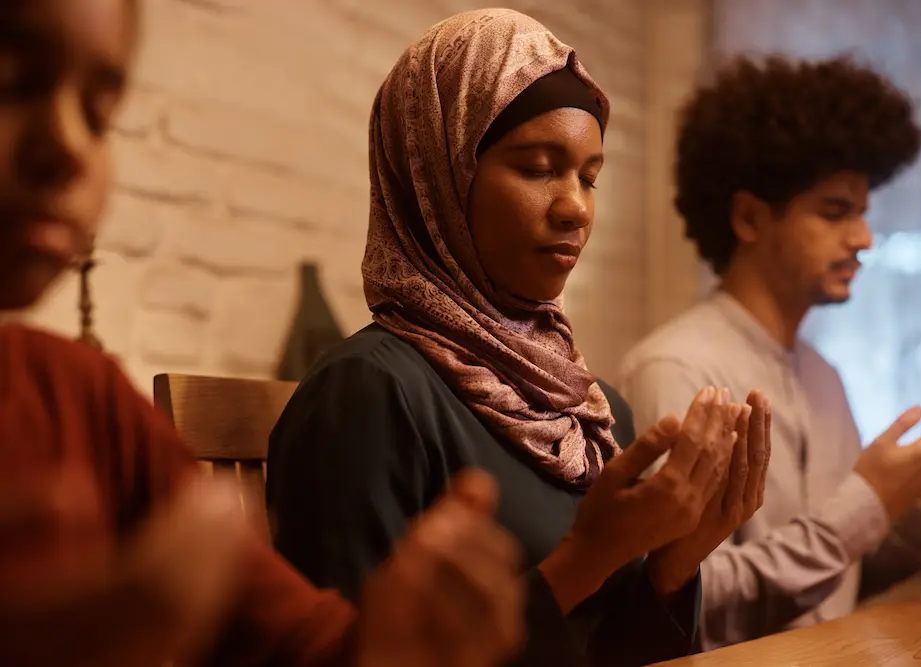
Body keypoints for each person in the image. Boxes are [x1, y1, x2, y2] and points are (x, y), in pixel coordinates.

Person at [0, 1, 527, 666]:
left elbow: (304, 641)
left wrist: (391, 638)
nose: (70, 145)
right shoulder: (371, 382)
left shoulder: (76, 396)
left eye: (100, 113)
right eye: (10, 82)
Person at [266, 9, 772, 667]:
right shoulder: (371, 393)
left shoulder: (594, 415)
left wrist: (672, 565)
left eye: (589, 176)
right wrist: (587, 558)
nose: (576, 207)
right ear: (439, 174)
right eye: (538, 167)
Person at [619, 54, 921, 651]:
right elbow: (673, 602)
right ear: (748, 217)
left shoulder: (825, 377)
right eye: (835, 212)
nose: (864, 238)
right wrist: (864, 504)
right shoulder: (677, 369)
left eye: (863, 213)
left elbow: (834, 584)